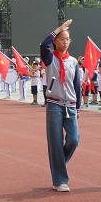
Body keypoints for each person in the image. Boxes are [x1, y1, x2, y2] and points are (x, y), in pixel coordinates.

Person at [40, 19, 81, 192]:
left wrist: (78, 107)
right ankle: (60, 180)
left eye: (67, 39)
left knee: (74, 139)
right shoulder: (50, 59)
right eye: (61, 38)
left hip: (70, 105)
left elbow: (77, 85)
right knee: (55, 142)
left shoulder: (73, 61)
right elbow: (43, 44)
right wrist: (58, 29)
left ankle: (59, 164)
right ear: (55, 41)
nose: (65, 42)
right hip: (54, 104)